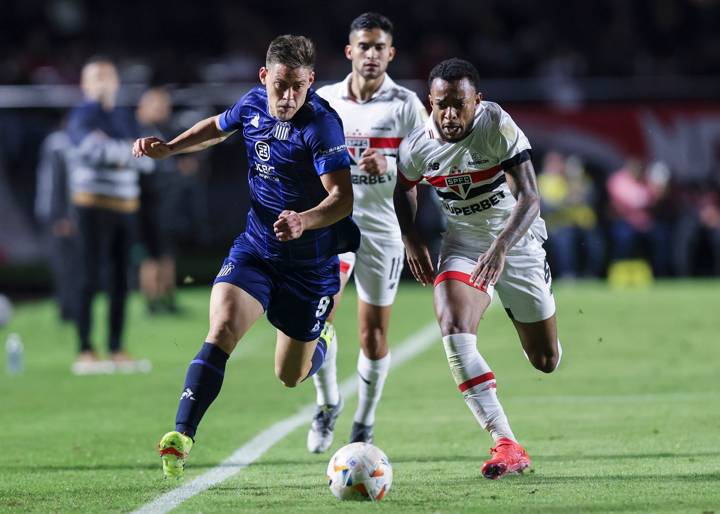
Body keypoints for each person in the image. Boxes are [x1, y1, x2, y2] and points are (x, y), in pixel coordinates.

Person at [133, 35, 358, 479]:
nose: (288, 96)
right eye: (280, 85)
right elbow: (216, 127)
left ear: (311, 81)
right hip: (256, 247)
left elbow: (342, 199)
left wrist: (304, 220)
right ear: (264, 77)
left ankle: (323, 343)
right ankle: (182, 435)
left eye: (298, 86)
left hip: (308, 264)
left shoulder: (321, 125)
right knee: (220, 330)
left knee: (289, 375)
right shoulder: (253, 105)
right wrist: (172, 147)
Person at [394, 58, 562, 480]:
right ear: (429, 103)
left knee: (545, 360)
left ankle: (517, 306)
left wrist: (503, 247)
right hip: (464, 244)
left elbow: (529, 198)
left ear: (477, 101)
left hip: (516, 240)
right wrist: (411, 237)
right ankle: (507, 442)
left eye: (459, 104)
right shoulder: (417, 144)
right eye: (441, 105)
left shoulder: (496, 125)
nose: (449, 115)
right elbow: (403, 190)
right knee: (453, 327)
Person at [306, 12, 428, 453]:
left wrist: (393, 166)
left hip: (382, 228)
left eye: (380, 47)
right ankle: (328, 403)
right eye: (364, 46)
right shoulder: (323, 100)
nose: (371, 55)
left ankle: (364, 420)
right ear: (349, 50)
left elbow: (428, 169)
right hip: (334, 224)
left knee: (373, 336)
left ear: (390, 53)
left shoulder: (406, 105)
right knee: (317, 317)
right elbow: (303, 157)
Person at [66, 57, 154, 373]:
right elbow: (89, 149)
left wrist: (117, 152)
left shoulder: (124, 117)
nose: (103, 82)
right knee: (89, 277)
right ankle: (86, 348)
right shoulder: (81, 114)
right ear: (84, 84)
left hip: (125, 208)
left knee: (121, 280)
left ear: (116, 82)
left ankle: (117, 347)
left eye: (108, 75)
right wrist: (124, 153)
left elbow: (148, 159)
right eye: (96, 76)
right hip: (92, 206)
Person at [136, 88, 182, 314]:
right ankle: (152, 301)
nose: (163, 110)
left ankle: (168, 299)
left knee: (167, 252)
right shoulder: (139, 134)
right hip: (147, 204)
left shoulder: (168, 132)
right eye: (157, 105)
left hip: (167, 204)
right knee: (151, 254)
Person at [34, 121, 80, 322]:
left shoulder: (62, 142)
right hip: (57, 216)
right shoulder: (59, 143)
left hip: (58, 214)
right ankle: (67, 310)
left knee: (71, 264)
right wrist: (61, 216)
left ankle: (71, 308)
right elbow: (55, 181)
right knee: (65, 265)